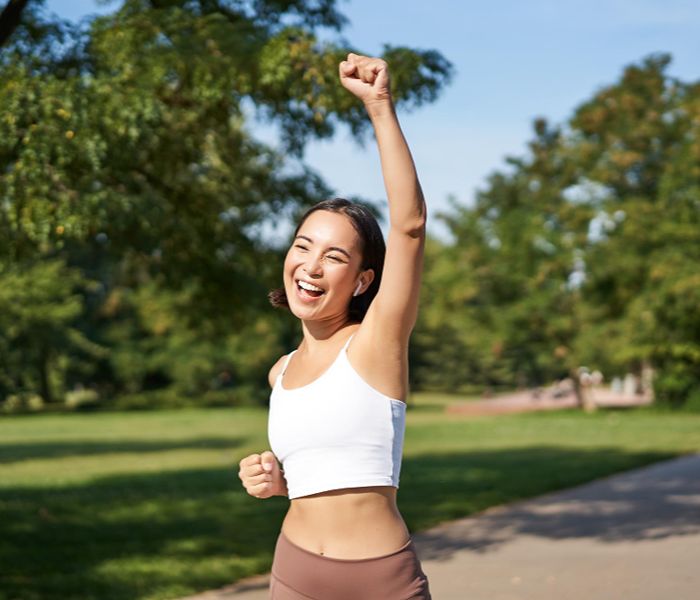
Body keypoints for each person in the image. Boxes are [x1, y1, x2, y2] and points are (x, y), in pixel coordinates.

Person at [238, 52, 431, 600]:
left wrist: (378, 105)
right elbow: (324, 470)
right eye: (303, 246)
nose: (311, 265)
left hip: (378, 580)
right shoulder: (281, 372)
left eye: (335, 257)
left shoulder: (377, 344)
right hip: (294, 571)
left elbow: (410, 226)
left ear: (365, 279)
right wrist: (280, 483)